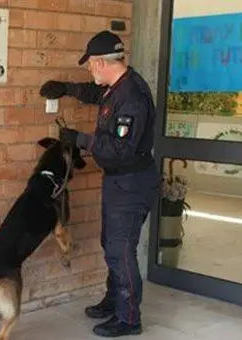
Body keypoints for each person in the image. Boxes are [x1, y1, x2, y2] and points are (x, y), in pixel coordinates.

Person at [39, 30, 159, 338]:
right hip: (119, 182)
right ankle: (114, 300)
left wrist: (78, 139)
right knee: (112, 244)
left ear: (100, 63)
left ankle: (129, 318)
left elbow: (121, 149)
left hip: (131, 183)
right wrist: (65, 88)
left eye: (90, 65)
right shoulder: (117, 86)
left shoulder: (131, 97)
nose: (89, 71)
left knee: (120, 250)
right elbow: (96, 95)